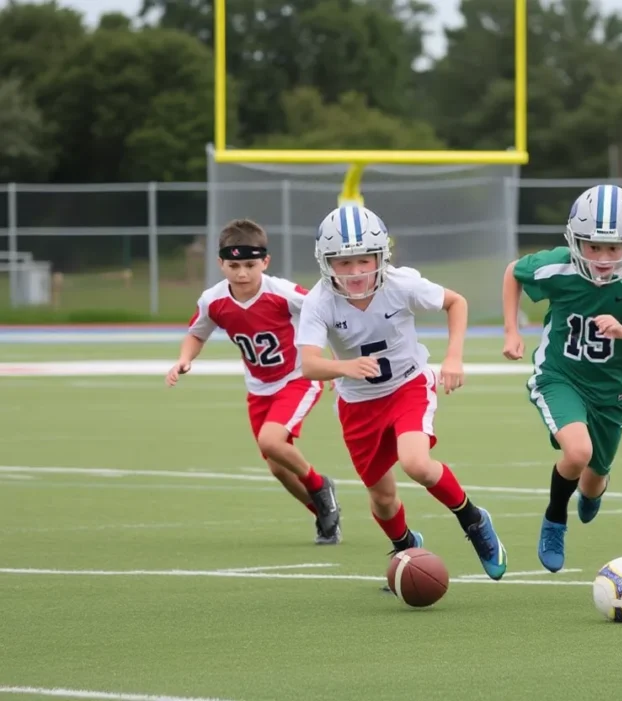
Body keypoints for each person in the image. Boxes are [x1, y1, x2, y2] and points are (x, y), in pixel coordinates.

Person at [296, 204, 508, 581]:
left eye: (364, 260)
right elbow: (309, 364)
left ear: (382, 256)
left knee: (416, 463)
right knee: (382, 497)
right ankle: (406, 547)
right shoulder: (319, 301)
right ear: (326, 263)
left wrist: (453, 357)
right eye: (344, 262)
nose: (356, 271)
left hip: (407, 385)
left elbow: (455, 302)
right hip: (357, 403)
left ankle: (473, 520)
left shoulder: (401, 284)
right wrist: (345, 367)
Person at [502, 184, 622, 573]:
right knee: (577, 452)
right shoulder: (559, 266)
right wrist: (511, 330)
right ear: (575, 240)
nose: (602, 258)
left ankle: (592, 491)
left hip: (610, 392)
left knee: (594, 478)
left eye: (613, 248)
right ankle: (554, 520)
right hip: (559, 375)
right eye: (593, 246)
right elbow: (514, 272)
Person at [165, 218, 341, 544]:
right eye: (233, 266)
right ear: (220, 263)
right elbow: (196, 333)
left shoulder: (283, 293)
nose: (242, 273)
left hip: (297, 377)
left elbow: (327, 317)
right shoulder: (213, 300)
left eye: (250, 265)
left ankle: (320, 486)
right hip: (259, 388)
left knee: (271, 442)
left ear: (265, 262)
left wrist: (332, 363)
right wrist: (185, 358)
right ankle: (323, 515)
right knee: (278, 467)